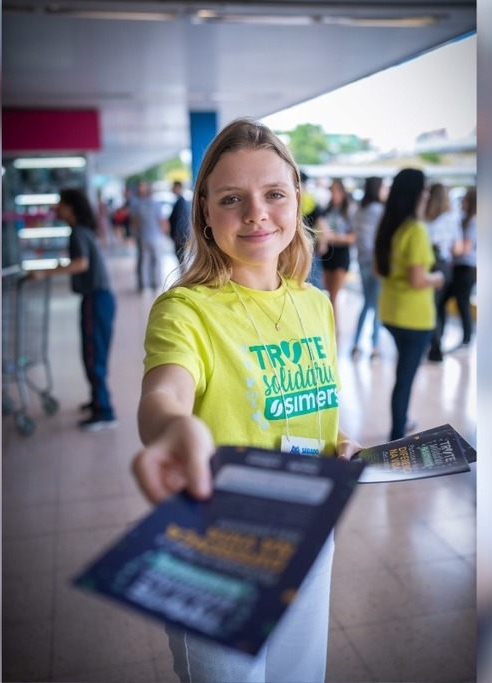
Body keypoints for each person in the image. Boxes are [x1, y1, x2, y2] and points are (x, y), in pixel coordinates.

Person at [131, 117, 363, 683]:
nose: (257, 212)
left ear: (297, 201)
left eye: (274, 194)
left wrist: (336, 446)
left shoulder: (314, 304)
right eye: (232, 198)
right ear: (205, 213)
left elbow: (308, 409)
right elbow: (165, 393)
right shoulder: (186, 310)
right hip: (219, 545)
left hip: (309, 525)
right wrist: (171, 430)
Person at [376, 168, 445, 441]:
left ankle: (403, 420)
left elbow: (379, 270)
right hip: (414, 318)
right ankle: (397, 432)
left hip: (390, 312)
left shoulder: (388, 225)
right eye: (425, 189)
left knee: (402, 375)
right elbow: (418, 280)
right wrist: (438, 277)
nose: (428, 194)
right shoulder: (415, 230)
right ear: (417, 193)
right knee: (404, 378)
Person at [55, 189, 118, 431]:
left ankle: (105, 411)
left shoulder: (78, 232)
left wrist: (44, 272)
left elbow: (81, 264)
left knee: (93, 354)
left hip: (96, 299)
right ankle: (97, 400)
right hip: (100, 299)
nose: (57, 208)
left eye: (60, 203)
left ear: (71, 207)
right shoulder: (84, 230)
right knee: (93, 352)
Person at [423, 183, 460, 361]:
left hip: (430, 265)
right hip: (444, 265)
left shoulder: (426, 218)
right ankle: (437, 344)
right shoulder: (452, 217)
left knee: (432, 308)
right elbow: (457, 246)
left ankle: (434, 347)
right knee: (439, 307)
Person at [350, 176, 386, 359]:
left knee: (367, 302)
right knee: (377, 304)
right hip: (377, 262)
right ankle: (374, 346)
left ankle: (356, 343)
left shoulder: (359, 211)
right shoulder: (380, 210)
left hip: (362, 259)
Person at [438, 187, 478, 350]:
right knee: (449, 302)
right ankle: (443, 335)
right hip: (459, 267)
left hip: (466, 267)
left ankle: (467, 339)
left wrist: (446, 246)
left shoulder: (474, 221)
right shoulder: (464, 219)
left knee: (462, 302)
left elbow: (465, 248)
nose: (462, 203)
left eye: (465, 200)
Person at [316, 179, 356, 333]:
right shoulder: (328, 209)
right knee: (328, 293)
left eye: (335, 190)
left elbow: (353, 237)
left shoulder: (349, 210)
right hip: (328, 254)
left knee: (334, 294)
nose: (332, 194)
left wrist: (334, 237)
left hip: (341, 254)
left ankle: (334, 328)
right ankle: (331, 326)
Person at [131, 181, 169, 292]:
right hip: (156, 236)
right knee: (156, 261)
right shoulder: (156, 205)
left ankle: (145, 286)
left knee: (144, 261)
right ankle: (156, 284)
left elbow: (134, 222)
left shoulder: (137, 205)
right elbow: (162, 221)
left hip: (143, 237)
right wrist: (165, 233)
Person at [168, 180, 192, 266]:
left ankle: (185, 277)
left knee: (181, 259)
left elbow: (181, 220)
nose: (172, 189)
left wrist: (179, 235)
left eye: (174, 187)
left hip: (180, 236)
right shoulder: (180, 201)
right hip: (181, 235)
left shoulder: (181, 202)